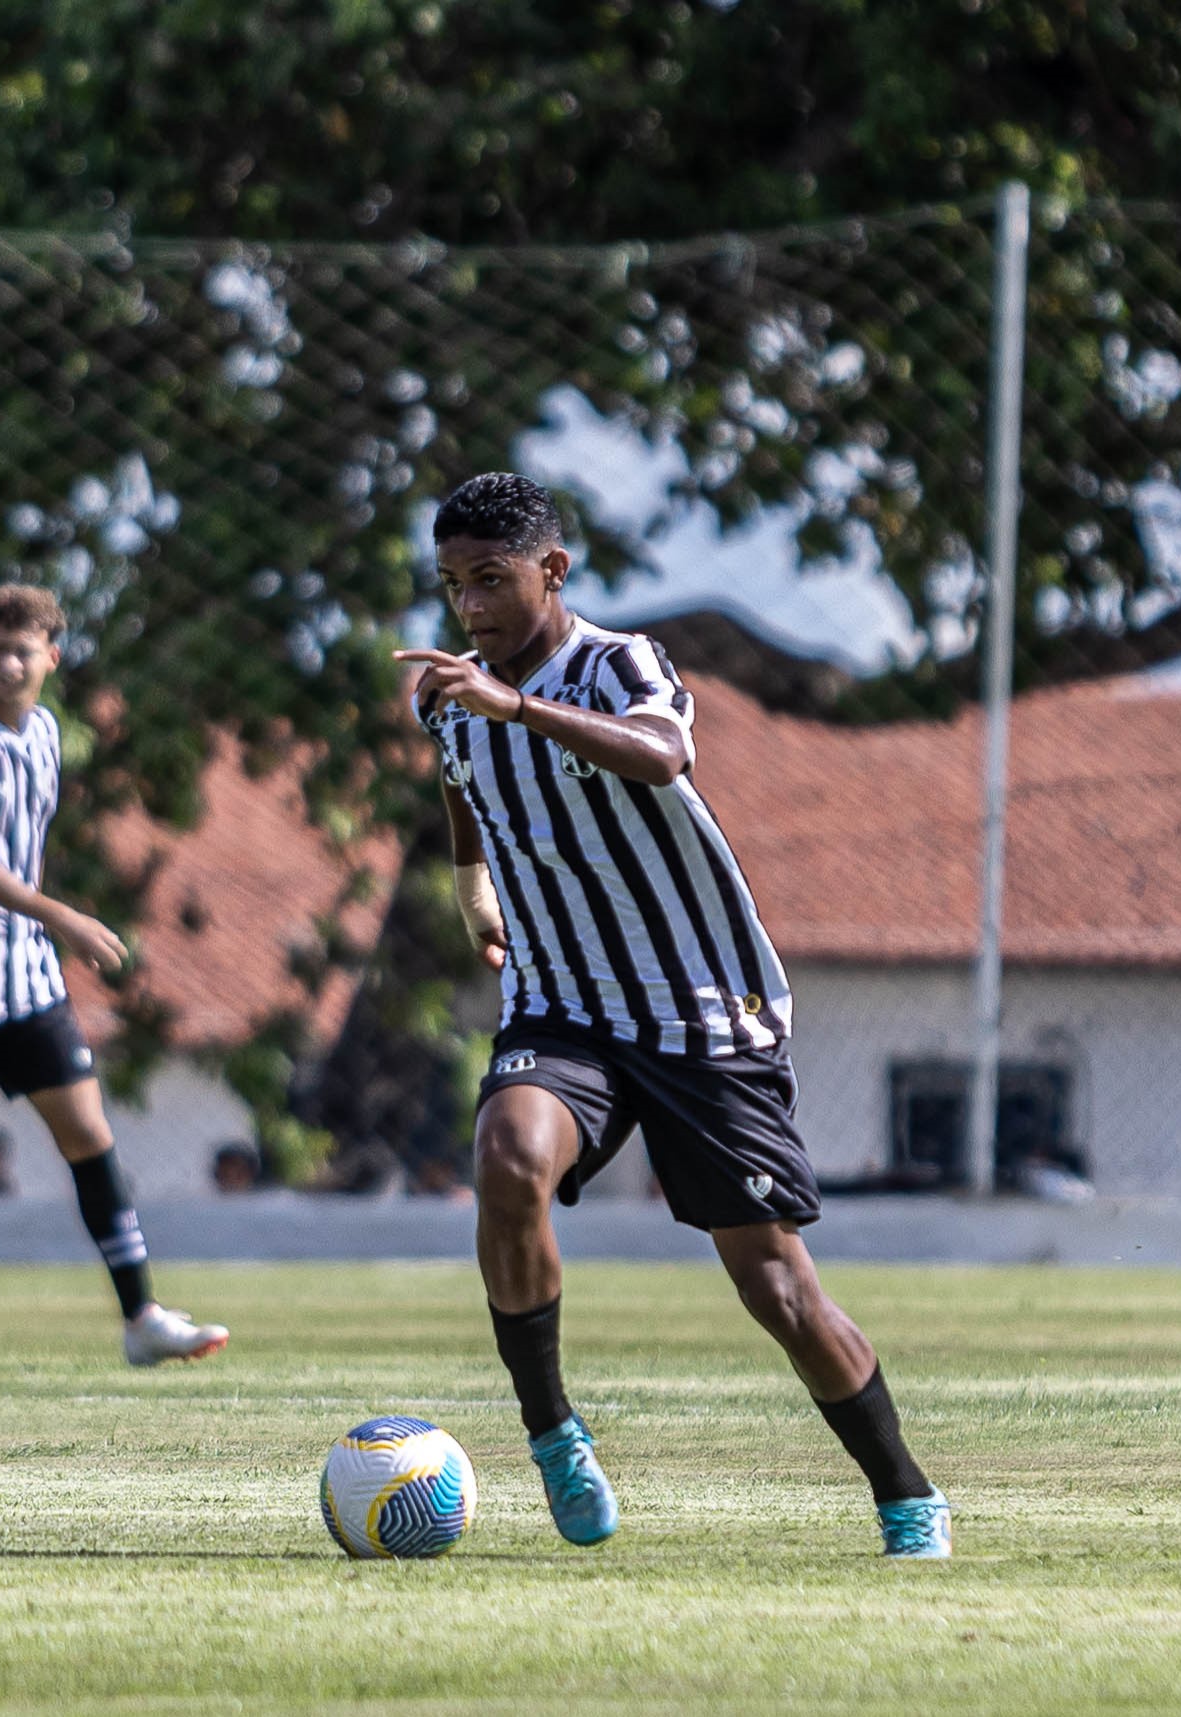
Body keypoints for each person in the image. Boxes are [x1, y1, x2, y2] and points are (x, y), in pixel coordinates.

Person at [395, 473, 948, 1559]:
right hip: (560, 1005)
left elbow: (662, 755)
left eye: (491, 580)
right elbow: (464, 785)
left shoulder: (619, 663)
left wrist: (516, 705)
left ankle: (904, 1492)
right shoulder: (451, 696)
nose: (470, 608)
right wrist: (474, 890)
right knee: (508, 1158)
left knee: (778, 1289)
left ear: (553, 570)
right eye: (454, 585)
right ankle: (552, 1429)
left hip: (699, 1016)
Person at [0, 582, 226, 1371]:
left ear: (51, 658)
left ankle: (141, 1316)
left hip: (26, 978)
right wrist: (62, 915)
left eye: (24, 649)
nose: (9, 662)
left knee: (89, 1134)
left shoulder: (49, 733)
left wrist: (44, 928)